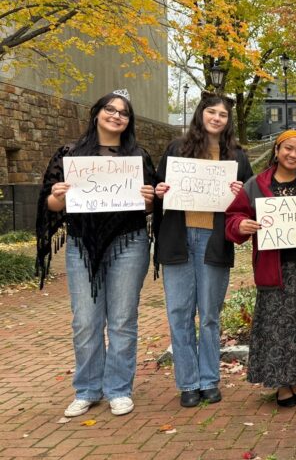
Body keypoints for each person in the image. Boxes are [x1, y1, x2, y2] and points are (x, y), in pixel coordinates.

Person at [36, 90, 156, 418]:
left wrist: (149, 198)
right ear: (97, 113)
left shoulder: (137, 157)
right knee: (86, 321)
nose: (116, 116)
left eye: (123, 113)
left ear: (129, 121)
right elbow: (50, 204)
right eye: (110, 109)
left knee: (121, 319)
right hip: (81, 245)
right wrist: (58, 195)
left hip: (128, 243)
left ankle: (118, 388)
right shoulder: (70, 154)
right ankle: (87, 389)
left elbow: (148, 206)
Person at [225, 130, 296, 407]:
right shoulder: (255, 184)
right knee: (277, 326)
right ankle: (281, 384)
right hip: (274, 268)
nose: (293, 154)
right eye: (288, 148)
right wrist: (240, 225)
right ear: (277, 151)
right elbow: (234, 217)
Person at [153, 93, 253, 407]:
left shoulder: (237, 156)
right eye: (211, 112)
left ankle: (209, 379)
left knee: (209, 315)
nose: (216, 118)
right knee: (180, 314)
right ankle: (187, 383)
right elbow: (158, 190)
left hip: (214, 241)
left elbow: (248, 202)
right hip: (178, 238)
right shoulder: (176, 149)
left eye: (223, 115)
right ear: (201, 114)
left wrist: (241, 193)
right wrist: (160, 191)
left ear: (228, 121)